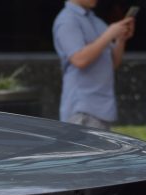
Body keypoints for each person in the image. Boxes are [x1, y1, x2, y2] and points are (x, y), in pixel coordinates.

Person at [53, 0, 135, 130]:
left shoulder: (95, 21)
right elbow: (79, 60)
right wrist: (109, 34)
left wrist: (120, 39)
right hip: (81, 109)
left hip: (102, 108)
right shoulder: (67, 20)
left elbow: (112, 64)